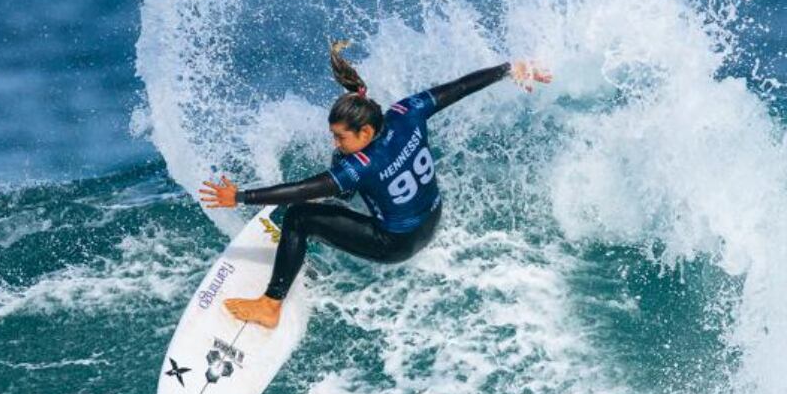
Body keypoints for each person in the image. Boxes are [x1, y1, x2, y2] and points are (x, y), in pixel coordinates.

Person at [200, 40, 551, 328]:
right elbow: (458, 88)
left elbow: (304, 189)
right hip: (432, 219)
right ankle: (312, 243)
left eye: (340, 137)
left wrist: (241, 197)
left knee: (299, 217)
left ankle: (269, 305)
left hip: (396, 244)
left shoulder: (362, 165)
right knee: (338, 180)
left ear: (365, 132)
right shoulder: (406, 113)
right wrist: (508, 69)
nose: (335, 142)